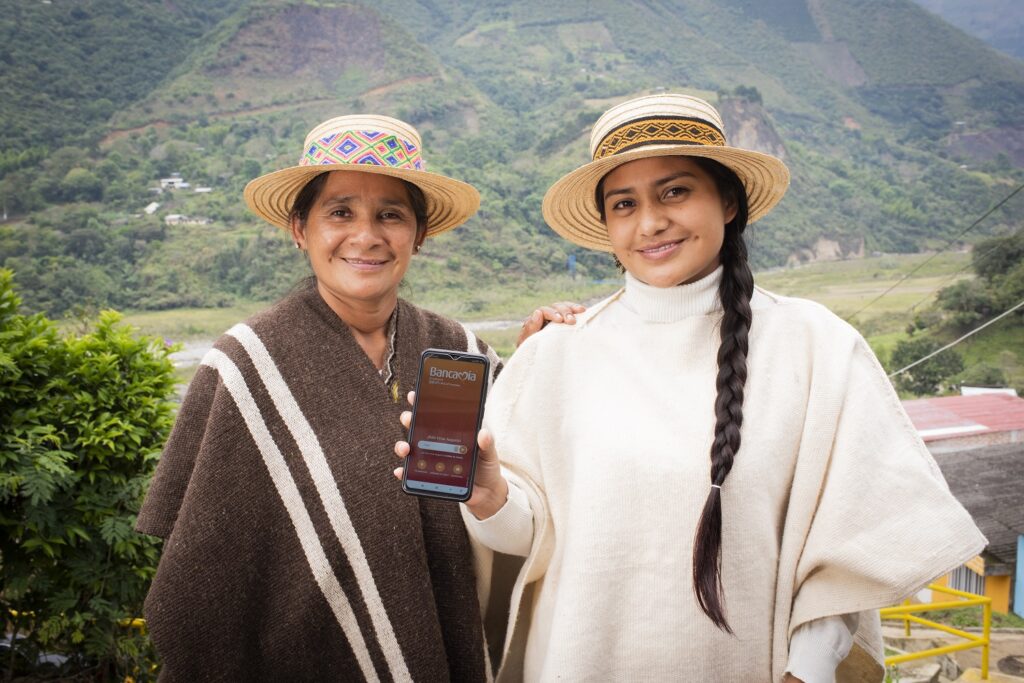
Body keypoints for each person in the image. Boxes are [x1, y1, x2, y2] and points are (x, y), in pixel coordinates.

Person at [395, 94, 986, 682]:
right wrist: (489, 493)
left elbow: (845, 550)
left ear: (728, 200)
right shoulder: (555, 354)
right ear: (606, 226)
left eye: (675, 191)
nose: (650, 222)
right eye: (624, 204)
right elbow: (529, 541)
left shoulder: (817, 348)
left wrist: (805, 672)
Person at [136, 113, 581, 681]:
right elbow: (205, 579)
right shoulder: (246, 367)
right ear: (300, 228)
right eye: (340, 212)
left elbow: (521, 505)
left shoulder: (460, 351)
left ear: (419, 234)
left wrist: (538, 361)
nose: (366, 235)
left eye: (390, 215)